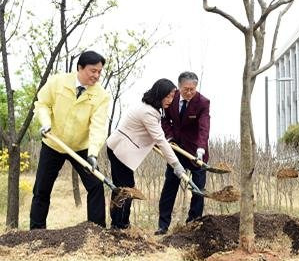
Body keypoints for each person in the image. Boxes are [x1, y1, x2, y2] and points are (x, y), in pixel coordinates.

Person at [31, 50, 110, 229]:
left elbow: (98, 126)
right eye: (93, 71)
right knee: (41, 189)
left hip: (80, 147)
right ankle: (36, 233)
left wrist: (93, 154)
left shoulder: (101, 96)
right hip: (54, 142)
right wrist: (45, 123)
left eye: (99, 72)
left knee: (96, 185)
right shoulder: (57, 82)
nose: (97, 76)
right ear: (80, 68)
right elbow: (42, 103)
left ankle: (96, 233)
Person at [105, 79, 187, 229]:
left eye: (172, 97)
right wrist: (176, 164)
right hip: (121, 150)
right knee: (126, 189)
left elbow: (155, 137)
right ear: (160, 94)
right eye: (167, 96)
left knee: (122, 188)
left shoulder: (150, 109)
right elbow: (160, 139)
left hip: (119, 148)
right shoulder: (148, 112)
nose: (170, 100)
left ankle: (119, 224)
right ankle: (120, 226)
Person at [156, 71, 210, 235]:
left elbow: (204, 126)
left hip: (196, 152)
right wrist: (169, 136)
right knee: (169, 188)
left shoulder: (202, 102)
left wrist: (201, 147)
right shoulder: (171, 98)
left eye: (192, 89)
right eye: (186, 89)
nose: (189, 93)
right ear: (179, 87)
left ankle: (192, 224)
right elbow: (164, 120)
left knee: (198, 189)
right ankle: (163, 226)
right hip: (176, 149)